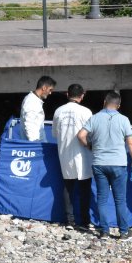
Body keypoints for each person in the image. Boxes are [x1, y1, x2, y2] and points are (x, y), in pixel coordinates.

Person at [77, 91, 132, 240]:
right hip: (118, 164)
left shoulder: (95, 118)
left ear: (104, 101)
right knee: (120, 200)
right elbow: (130, 143)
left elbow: (81, 135)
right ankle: (123, 232)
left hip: (99, 163)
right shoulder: (124, 120)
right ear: (119, 105)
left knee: (102, 199)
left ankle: (104, 231)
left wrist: (89, 147)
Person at [52, 84, 93, 230]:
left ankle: (69, 221)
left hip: (65, 155)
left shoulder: (58, 111)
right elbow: (91, 134)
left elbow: (55, 134)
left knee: (68, 188)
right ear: (82, 95)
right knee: (84, 189)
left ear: (66, 94)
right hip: (83, 155)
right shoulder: (86, 112)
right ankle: (85, 221)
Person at [20, 76, 56, 141]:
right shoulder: (32, 101)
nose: (50, 93)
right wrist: (34, 144)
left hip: (37, 143)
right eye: (50, 90)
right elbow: (29, 124)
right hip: (34, 144)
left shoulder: (34, 100)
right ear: (44, 88)